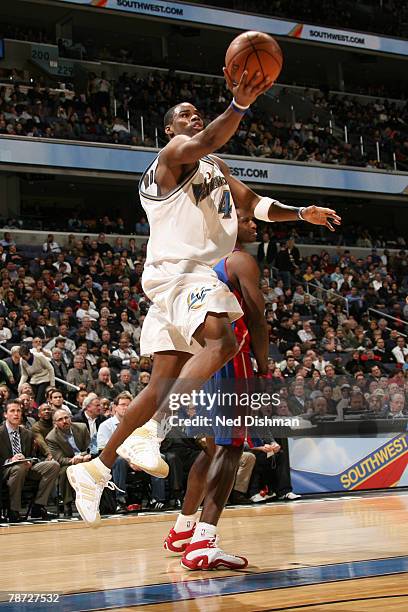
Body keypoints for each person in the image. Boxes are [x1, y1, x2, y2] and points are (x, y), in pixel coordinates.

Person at [67, 71, 340, 565]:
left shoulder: (213, 166)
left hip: (176, 284)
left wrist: (302, 213)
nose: (193, 119)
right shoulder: (171, 158)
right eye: (185, 117)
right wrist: (238, 103)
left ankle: (96, 468)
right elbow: (211, 136)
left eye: (197, 113)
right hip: (182, 275)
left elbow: (255, 203)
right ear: (170, 131)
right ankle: (156, 431)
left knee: (159, 383)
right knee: (224, 343)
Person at [163, 208, 270, 569]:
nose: (254, 224)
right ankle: (203, 541)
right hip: (231, 356)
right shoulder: (239, 260)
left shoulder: (199, 261)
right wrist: (264, 369)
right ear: (228, 225)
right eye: (247, 218)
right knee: (231, 446)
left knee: (211, 449)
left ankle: (183, 528)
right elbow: (256, 319)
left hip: (203, 355)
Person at [0, 399, 60, 522]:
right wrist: (11, 460)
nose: (16, 414)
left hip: (26, 467)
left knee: (53, 465)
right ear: (5, 414)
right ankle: (14, 510)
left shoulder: (27, 433)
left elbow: (33, 455)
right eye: (12, 411)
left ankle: (38, 506)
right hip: (5, 470)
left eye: (18, 411)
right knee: (18, 468)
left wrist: (29, 462)